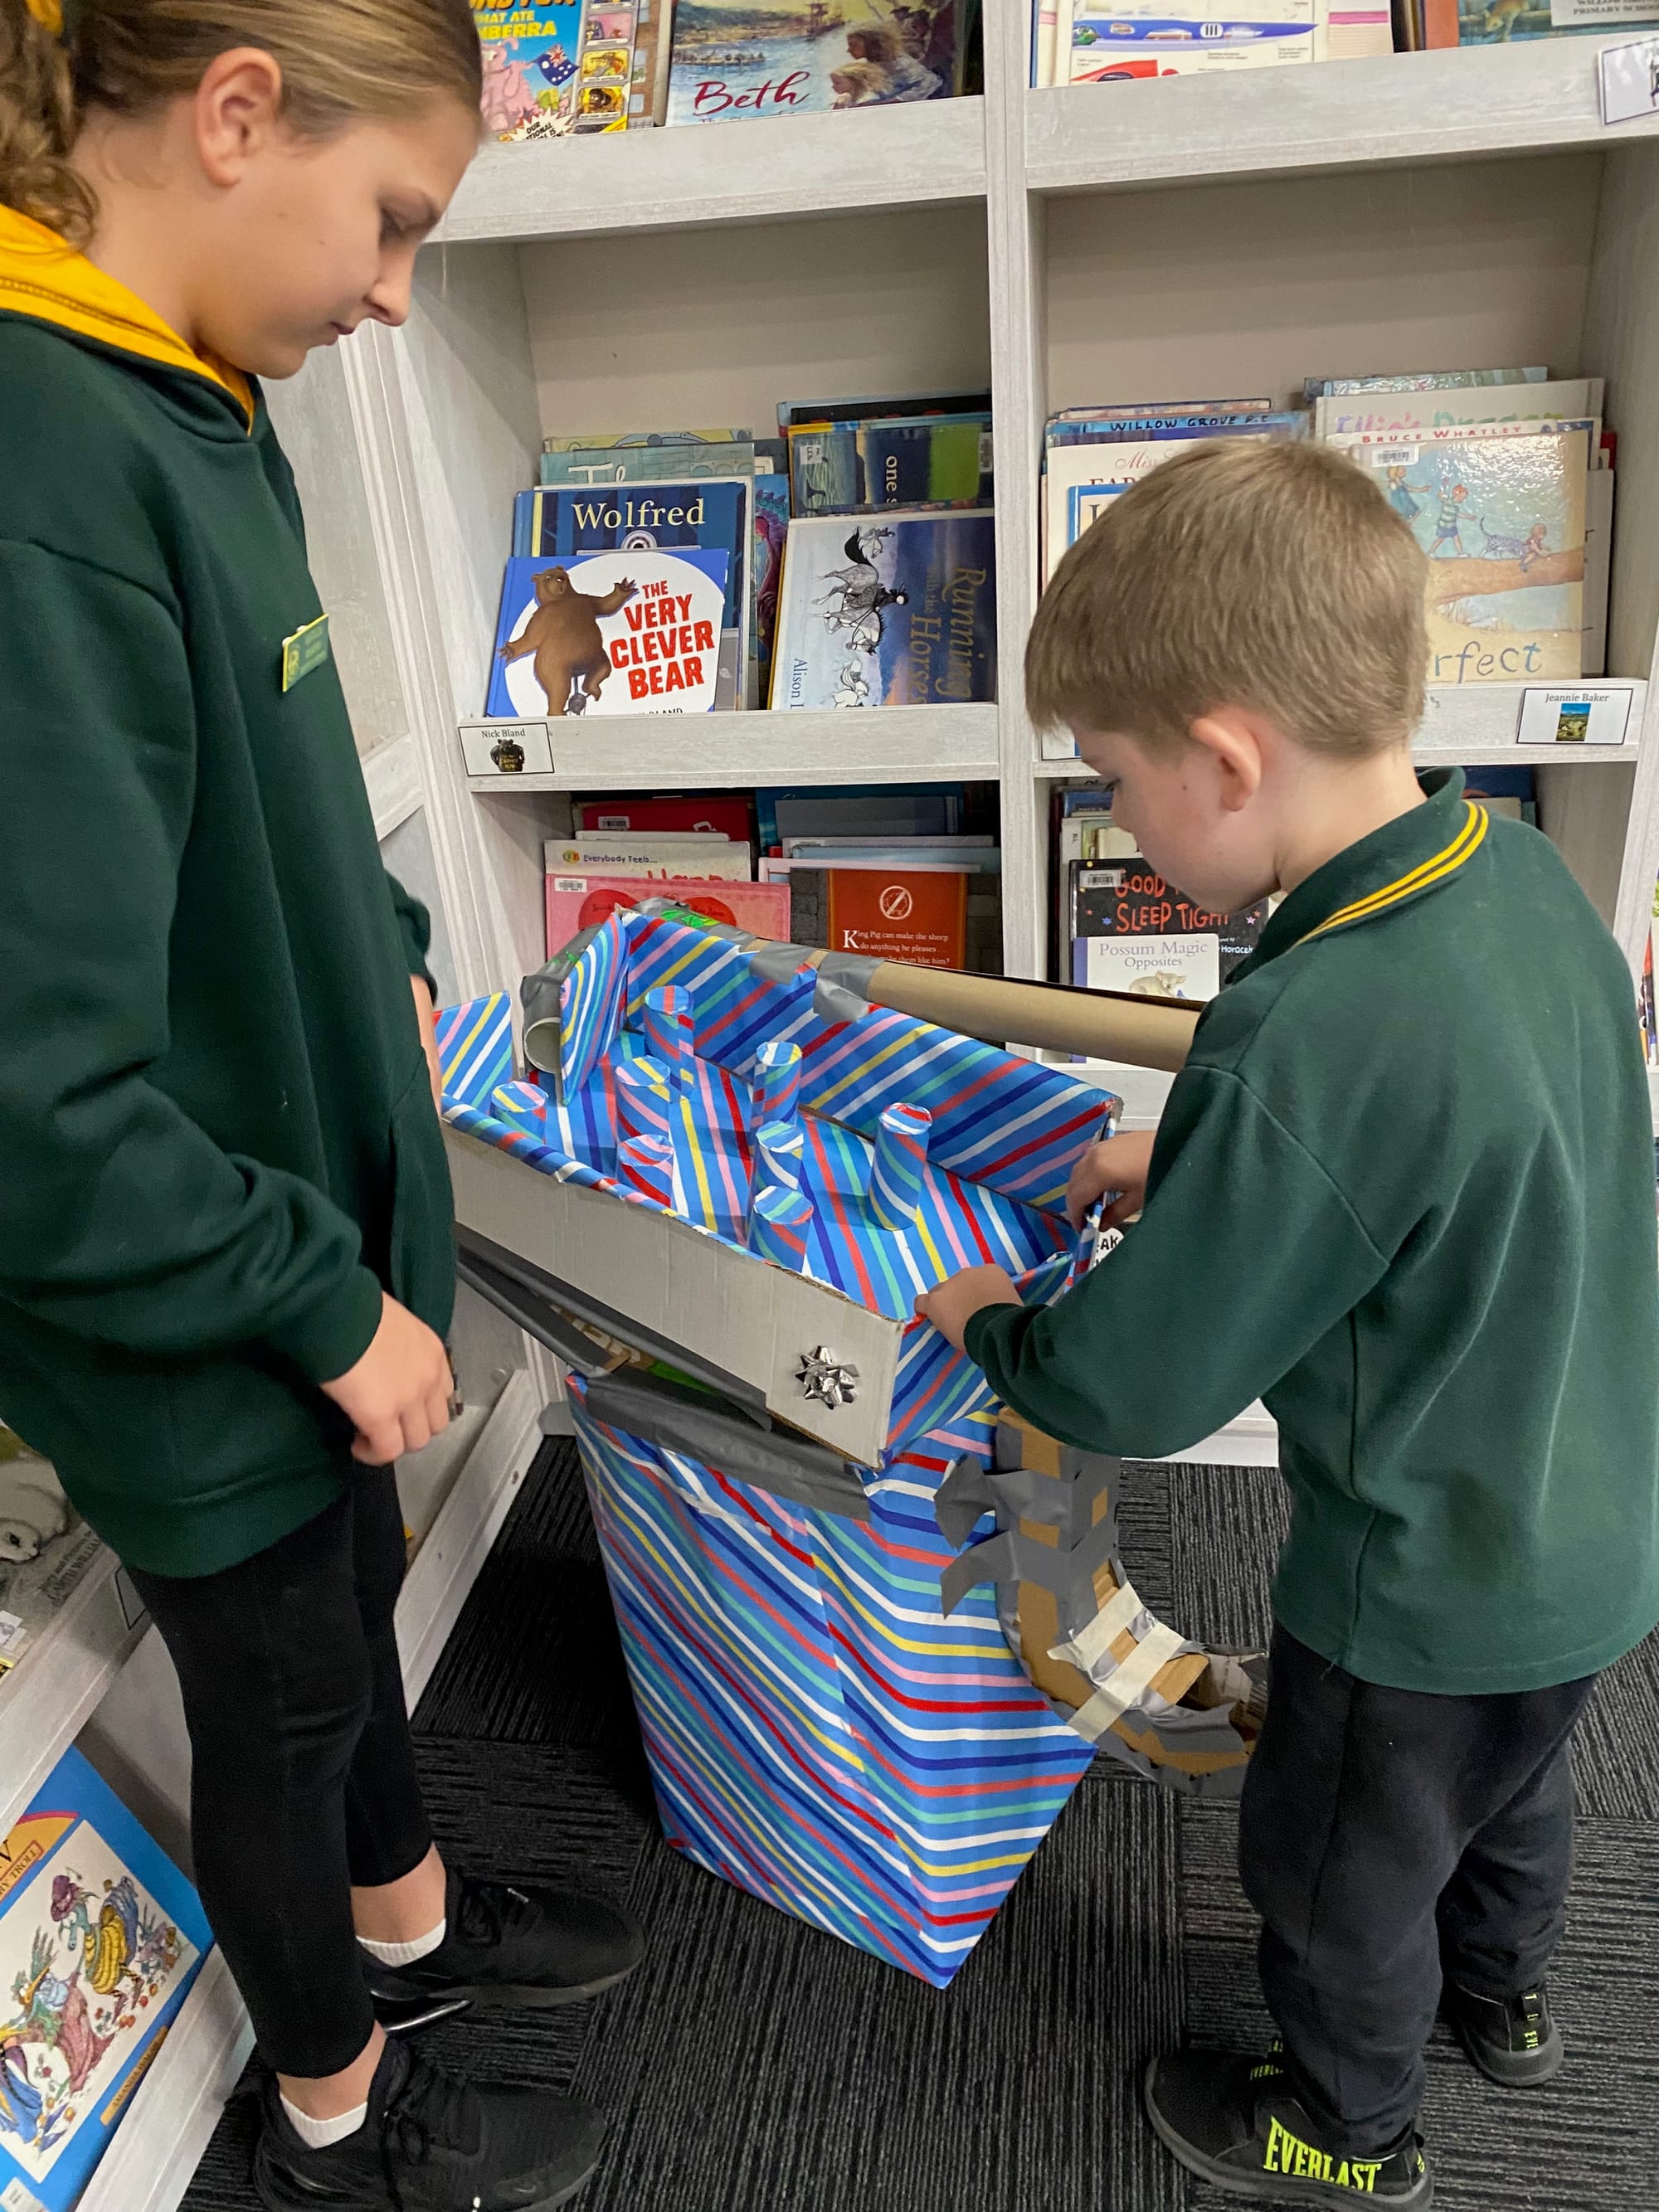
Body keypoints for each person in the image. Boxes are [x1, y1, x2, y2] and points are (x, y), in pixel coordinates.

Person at [0, 6, 643, 2209]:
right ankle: (332, 2115)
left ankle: (420, 1935)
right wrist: (318, 1302)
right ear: (237, 111)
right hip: (203, 1322)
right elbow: (29, 1097)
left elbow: (222, 783)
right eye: (391, 225)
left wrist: (368, 904)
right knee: (272, 1716)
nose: (392, 294)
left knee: (344, 1623)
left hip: (299, 1259)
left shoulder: (193, 404)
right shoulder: (34, 464)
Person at [916, 438, 1659, 2208]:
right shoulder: (1522, 882)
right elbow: (1446, 1144)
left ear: (1225, 759)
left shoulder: (1306, 1030)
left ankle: (1346, 2120)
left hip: (1405, 1590)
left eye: (1111, 780)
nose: (1114, 820)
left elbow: (1141, 1380)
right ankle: (1510, 2005)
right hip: (1589, 1535)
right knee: (1509, 1795)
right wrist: (1201, 1154)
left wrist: (996, 1321)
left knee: (1335, 1858)